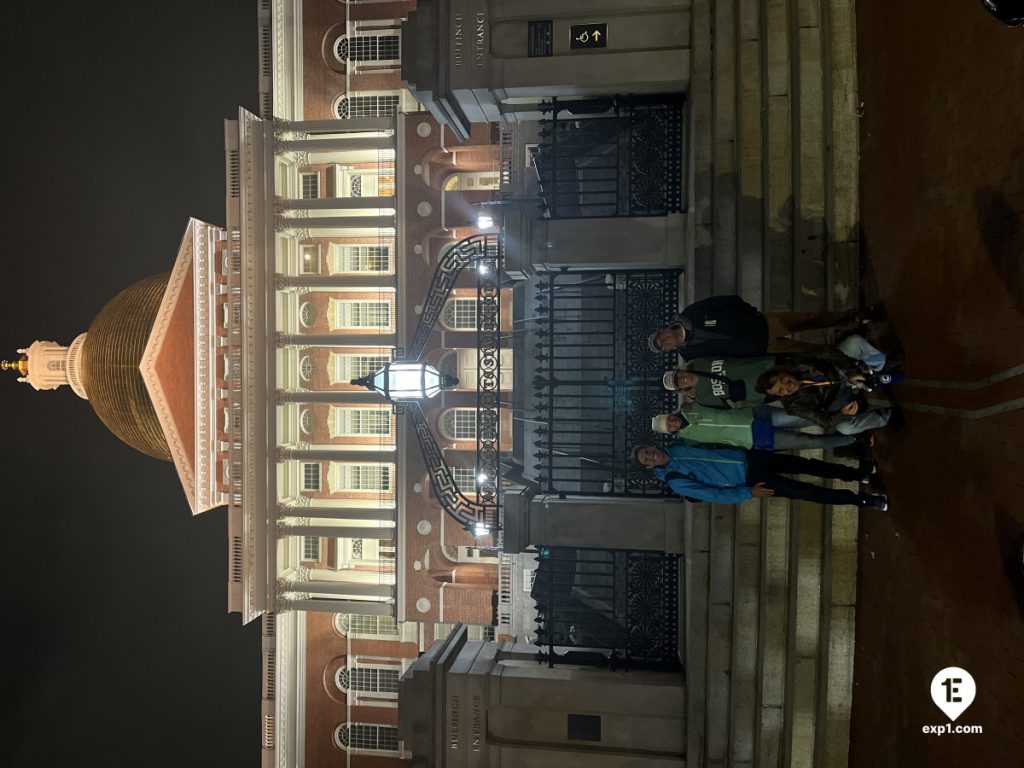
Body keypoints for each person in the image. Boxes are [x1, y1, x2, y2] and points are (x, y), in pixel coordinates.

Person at [633, 443, 888, 509]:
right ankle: (861, 501)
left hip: (750, 458)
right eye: (646, 459)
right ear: (648, 467)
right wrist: (747, 492)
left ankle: (858, 474)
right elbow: (713, 495)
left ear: (651, 447)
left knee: (808, 464)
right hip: (749, 481)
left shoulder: (676, 448)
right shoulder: (675, 481)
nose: (649, 455)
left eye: (647, 451)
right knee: (805, 491)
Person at [754, 335, 903, 434]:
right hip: (838, 398)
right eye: (781, 391)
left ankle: (881, 364)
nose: (787, 386)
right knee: (844, 428)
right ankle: (885, 417)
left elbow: (828, 351)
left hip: (840, 370)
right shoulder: (793, 406)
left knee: (854, 342)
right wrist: (842, 414)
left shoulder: (798, 361)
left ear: (783, 373)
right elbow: (823, 421)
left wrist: (851, 371)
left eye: (782, 381)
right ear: (781, 396)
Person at [648, 295, 861, 358]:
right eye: (664, 345)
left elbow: (725, 301)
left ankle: (850, 318)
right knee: (808, 351)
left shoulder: (691, 313)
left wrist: (750, 312)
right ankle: (851, 353)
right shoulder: (690, 355)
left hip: (764, 323)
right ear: (668, 349)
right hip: (761, 348)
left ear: (664, 330)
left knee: (811, 318)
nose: (667, 341)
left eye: (663, 338)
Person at [651, 404, 856, 452]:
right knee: (808, 441)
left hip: (755, 416)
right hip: (751, 439)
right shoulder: (690, 439)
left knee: (807, 418)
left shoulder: (692, 406)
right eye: (668, 427)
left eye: (668, 419)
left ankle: (849, 412)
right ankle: (853, 439)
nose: (671, 423)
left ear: (670, 414)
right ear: (670, 432)